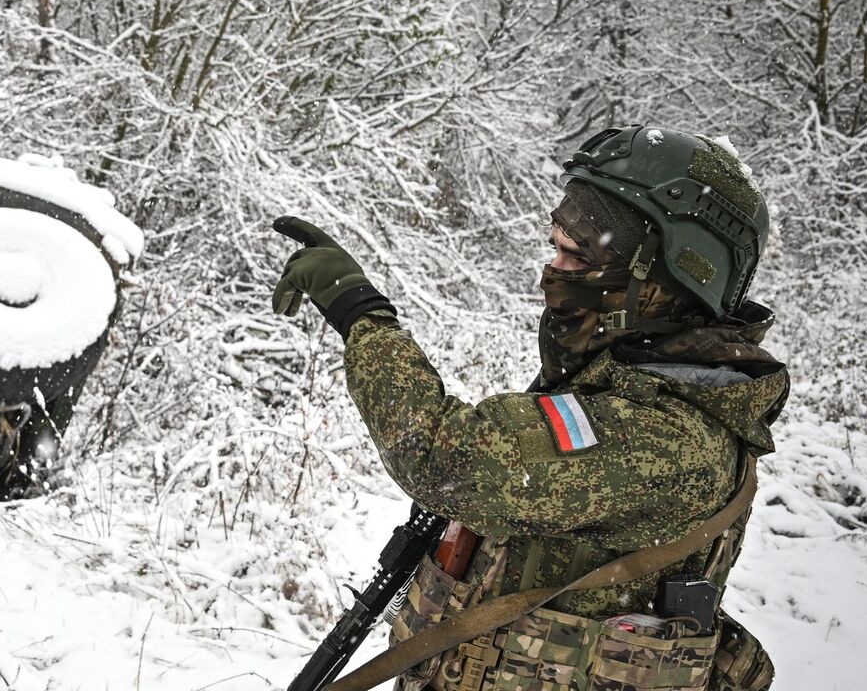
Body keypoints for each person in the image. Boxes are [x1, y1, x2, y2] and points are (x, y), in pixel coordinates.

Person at [272, 125, 784, 691]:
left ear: (670, 276)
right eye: (556, 247)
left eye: (578, 253)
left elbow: (445, 456)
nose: (554, 272)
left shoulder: (669, 436)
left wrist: (358, 309)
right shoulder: (617, 383)